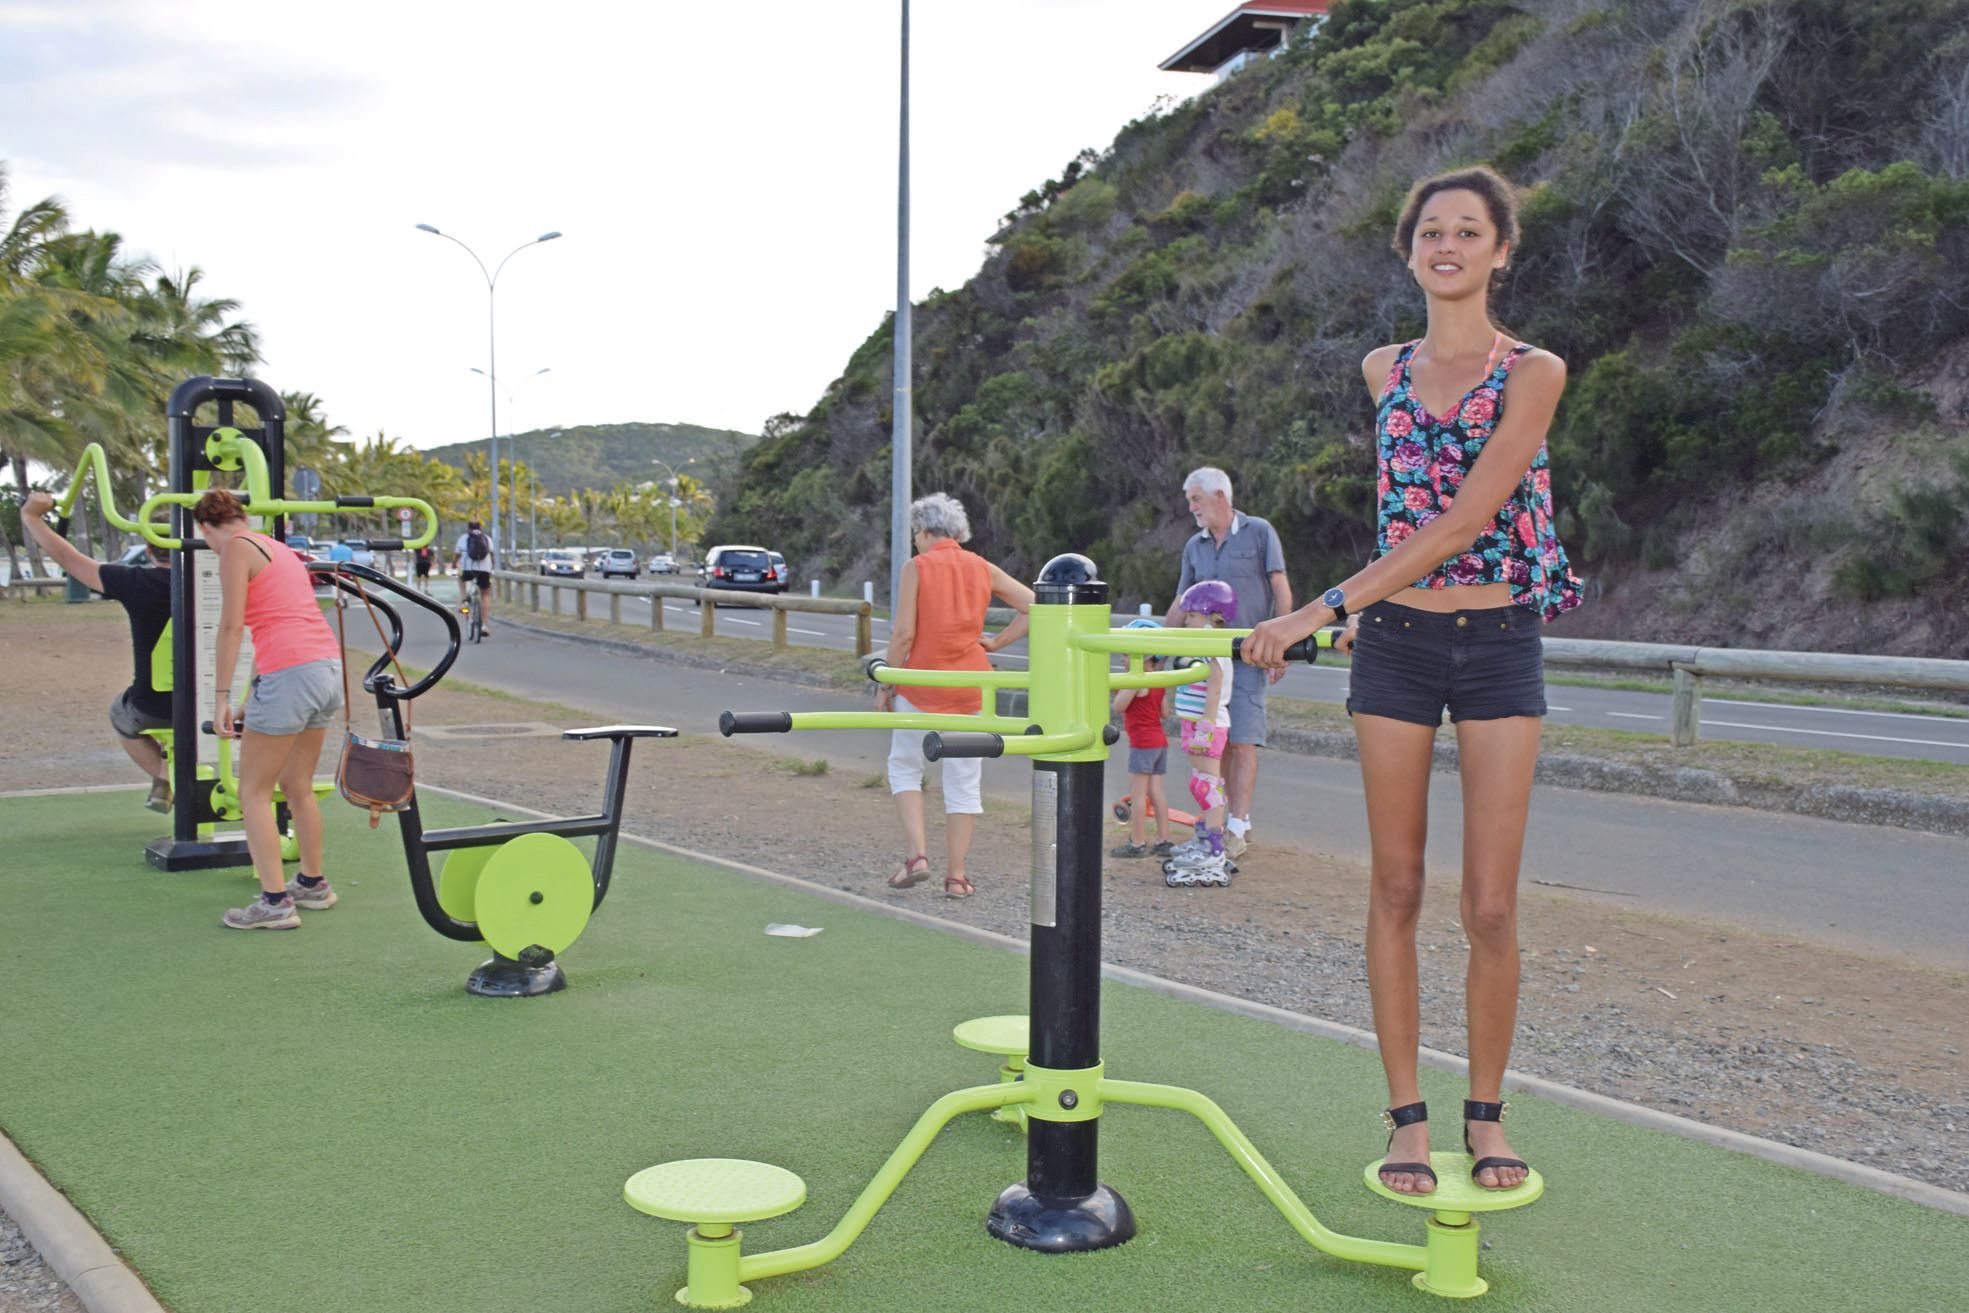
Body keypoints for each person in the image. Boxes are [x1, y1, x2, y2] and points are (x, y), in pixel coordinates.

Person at [1241, 165, 1583, 1196]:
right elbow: (1405, 526)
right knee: (1394, 884)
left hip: (1496, 641)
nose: (1448, 245)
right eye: (1430, 230)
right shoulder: (1379, 367)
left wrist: (1315, 609)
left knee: (1487, 902)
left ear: (1499, 250)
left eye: (1468, 231)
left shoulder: (1533, 371)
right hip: (1394, 643)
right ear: (1408, 250)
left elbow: (1464, 522)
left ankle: (1485, 1114)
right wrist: (1349, 613)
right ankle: (1404, 1117)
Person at [192, 489, 347, 931]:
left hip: (291, 675)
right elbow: (275, 624)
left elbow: (232, 625)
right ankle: (313, 884)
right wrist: (248, 700)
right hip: (325, 668)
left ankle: (275, 902)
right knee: (297, 785)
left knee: (253, 792)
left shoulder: (235, 549)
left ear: (205, 528)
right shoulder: (278, 549)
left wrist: (220, 696)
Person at [878, 492, 1033, 899]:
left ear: (928, 532)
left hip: (922, 684)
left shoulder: (918, 567)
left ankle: (917, 857)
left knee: (905, 767)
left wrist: (887, 681)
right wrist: (997, 642)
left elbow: (904, 634)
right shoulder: (982, 567)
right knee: (964, 781)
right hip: (972, 688)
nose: (915, 541)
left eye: (916, 533)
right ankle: (958, 877)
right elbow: (1036, 605)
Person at [17, 492, 175, 811]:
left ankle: (166, 778)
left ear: (148, 550)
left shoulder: (134, 581)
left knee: (121, 714)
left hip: (154, 705)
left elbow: (69, 559)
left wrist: (32, 518)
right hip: (216, 703)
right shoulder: (217, 582)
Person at [1165, 467, 1291, 861]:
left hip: (1249, 656)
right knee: (1211, 743)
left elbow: (1279, 586)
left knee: (1242, 741)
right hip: (1204, 662)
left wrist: (1283, 641)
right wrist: (1154, 647)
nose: (1191, 508)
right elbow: (1180, 601)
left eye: (1196, 499)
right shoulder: (1194, 546)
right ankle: (1215, 825)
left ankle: (1237, 825)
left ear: (1220, 496)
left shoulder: (1259, 532)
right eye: (1190, 501)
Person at [1160, 583, 1236, 887]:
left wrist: (1205, 723)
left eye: (1191, 615)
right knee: (1200, 782)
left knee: (1207, 785)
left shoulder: (1214, 646)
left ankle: (1215, 847)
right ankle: (1205, 836)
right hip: (1195, 722)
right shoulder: (1202, 643)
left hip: (1209, 724)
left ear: (1210, 615)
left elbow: (1215, 686)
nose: (1187, 621)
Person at [1108, 618, 1175, 861]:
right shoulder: (1158, 679)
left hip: (1142, 743)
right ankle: (1164, 839)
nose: (1123, 660)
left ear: (1142, 654)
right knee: (1157, 791)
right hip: (1159, 741)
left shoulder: (1137, 679)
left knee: (1138, 794)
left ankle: (1137, 842)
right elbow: (1165, 712)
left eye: (1126, 655)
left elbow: (1118, 706)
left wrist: (1125, 687)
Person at [452, 519, 495, 635]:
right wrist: (492, 567)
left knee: (459, 577)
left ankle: (465, 601)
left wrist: (454, 564)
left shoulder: (463, 538)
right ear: (481, 528)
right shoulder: (487, 539)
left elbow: (456, 555)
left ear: (468, 528)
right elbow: (491, 554)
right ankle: (484, 625)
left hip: (468, 570)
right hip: (485, 570)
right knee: (485, 595)